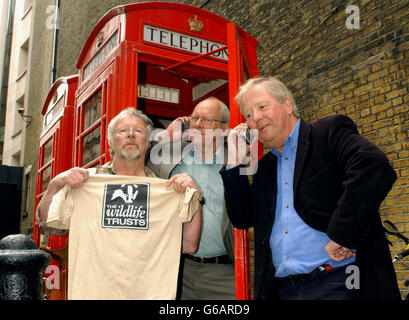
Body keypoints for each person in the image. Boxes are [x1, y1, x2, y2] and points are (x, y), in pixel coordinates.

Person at [220, 76, 401, 300]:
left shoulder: (327, 133)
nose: (255, 117)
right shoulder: (265, 168)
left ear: (287, 104)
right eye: (248, 114)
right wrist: (234, 163)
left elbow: (373, 166)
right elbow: (242, 217)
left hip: (339, 280)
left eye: (262, 106)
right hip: (282, 290)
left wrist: (342, 233)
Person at [38, 107, 202, 299]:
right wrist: (55, 185)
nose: (131, 135)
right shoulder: (83, 183)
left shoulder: (166, 191)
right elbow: (48, 226)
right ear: (110, 141)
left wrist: (195, 198)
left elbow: (189, 245)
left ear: (148, 142)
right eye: (123, 130)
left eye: (139, 131)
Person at [148, 97, 236, 300]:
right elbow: (130, 161)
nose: (197, 124)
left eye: (207, 120)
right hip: (178, 270)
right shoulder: (168, 159)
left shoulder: (235, 165)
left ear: (224, 129)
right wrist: (164, 137)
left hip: (223, 274)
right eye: (195, 118)